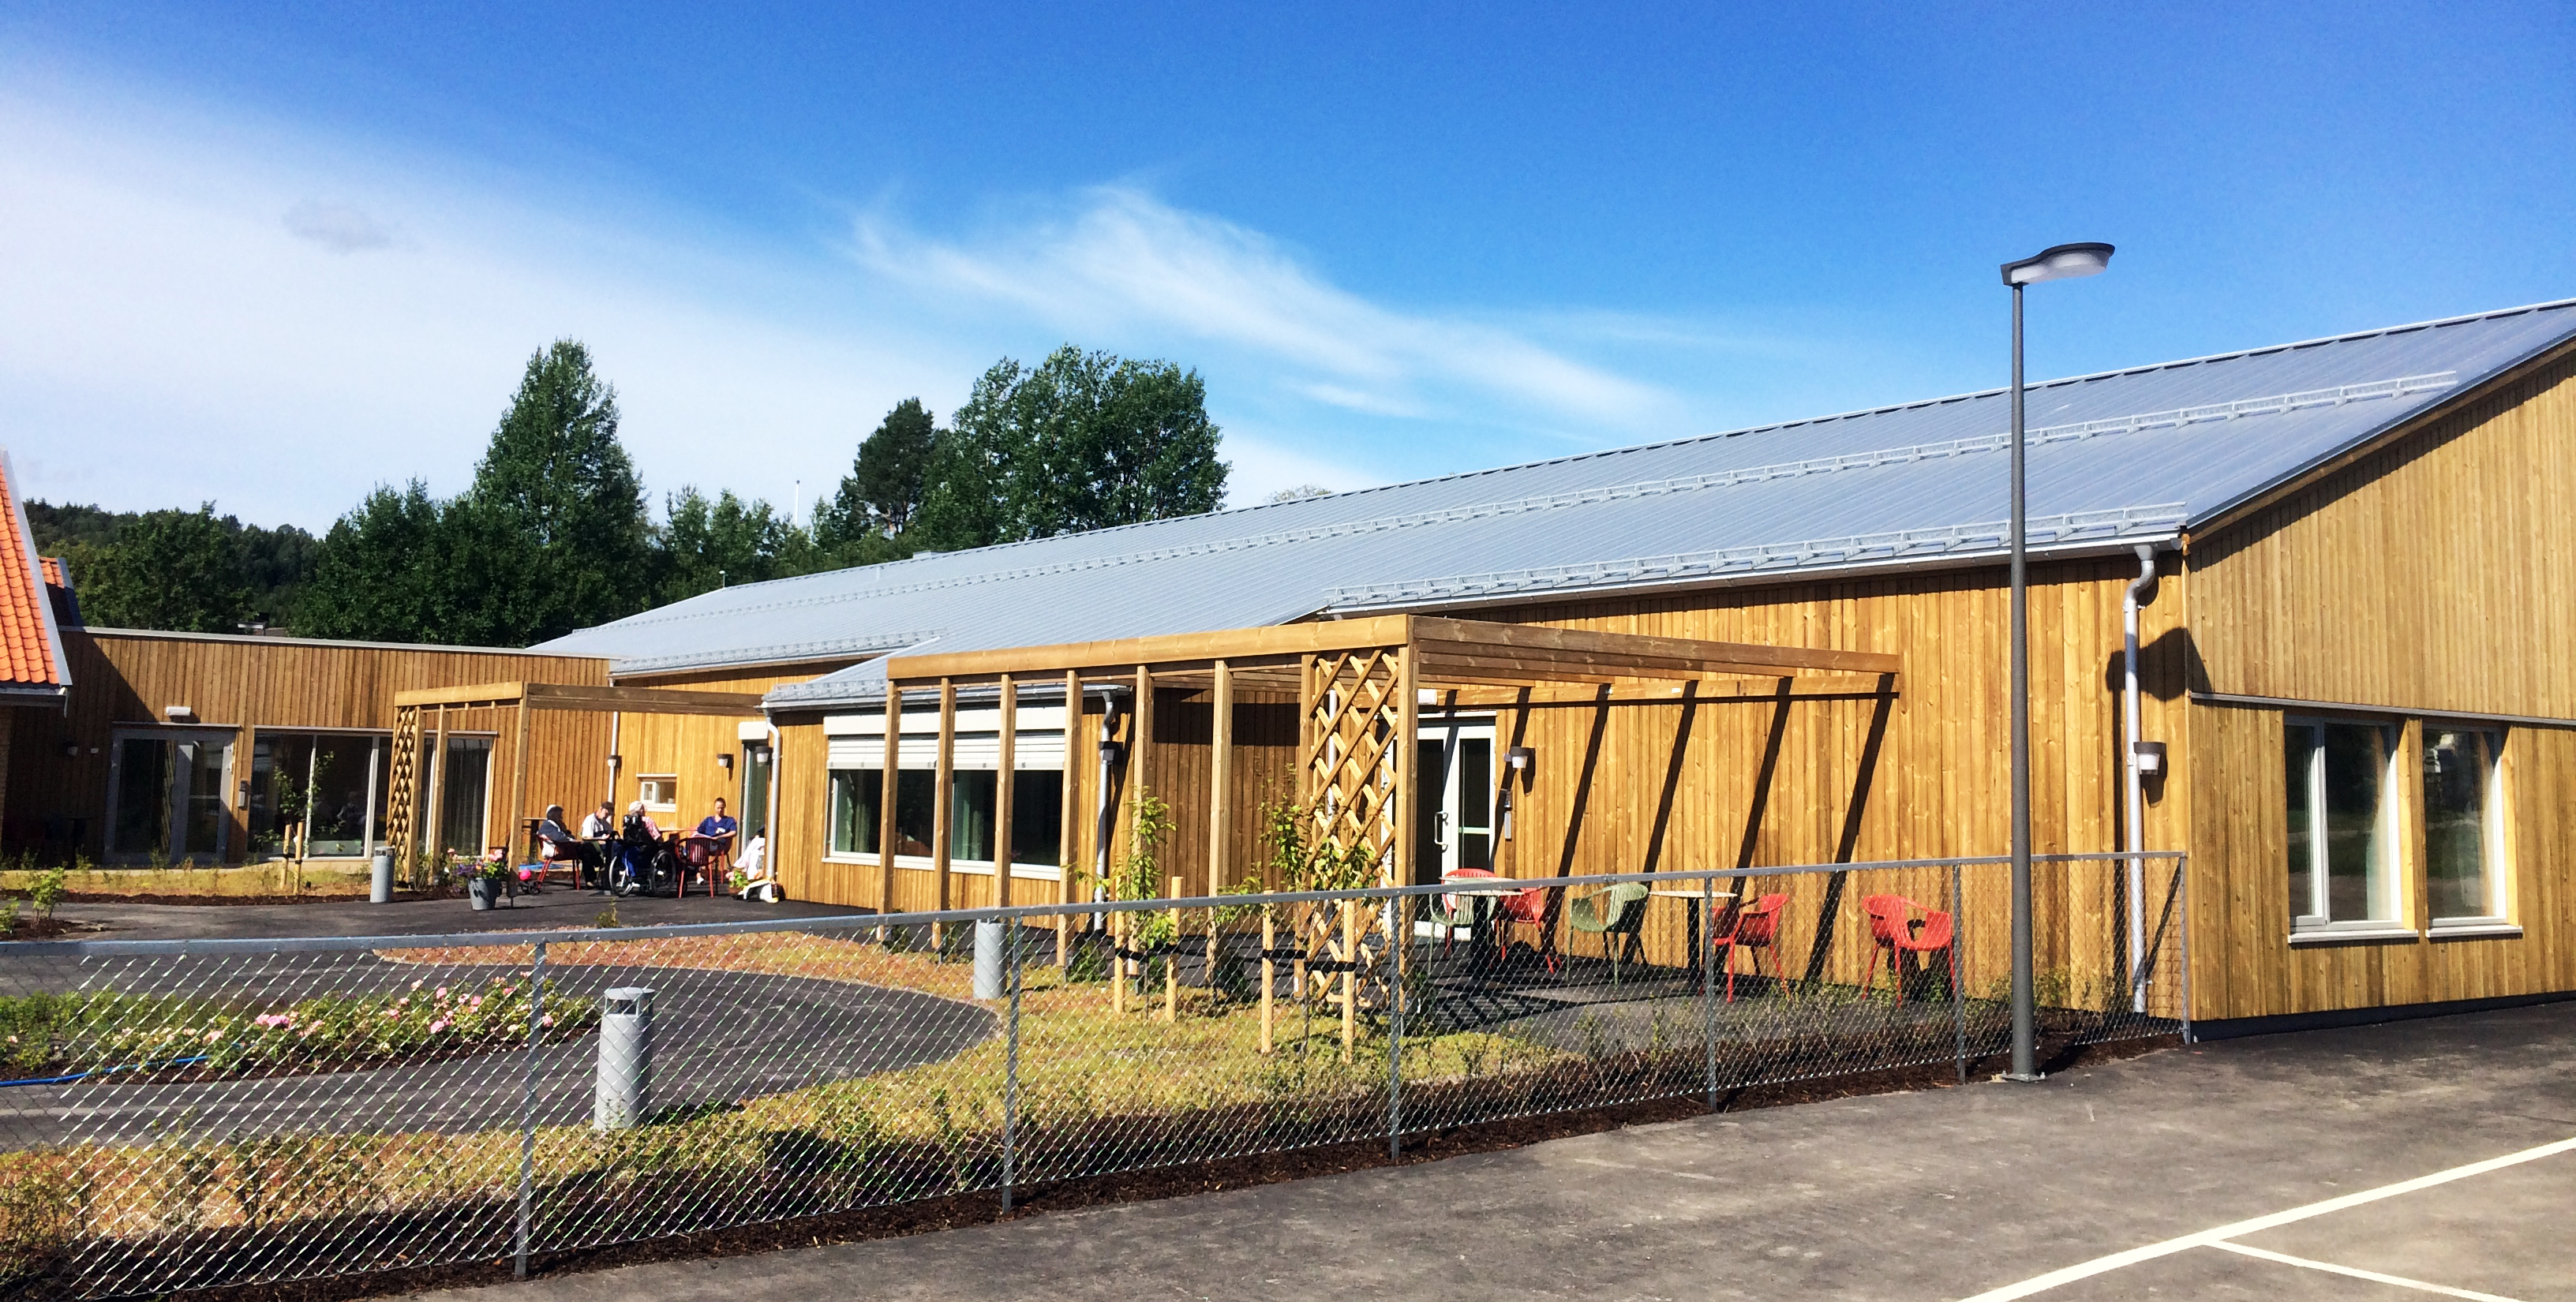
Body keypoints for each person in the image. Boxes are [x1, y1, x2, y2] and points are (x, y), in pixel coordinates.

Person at [616, 799, 665, 895]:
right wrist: (663, 842)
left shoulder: (628, 821)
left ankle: (633, 874)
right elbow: (657, 837)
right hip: (647, 850)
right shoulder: (648, 821)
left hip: (632, 849)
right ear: (641, 810)